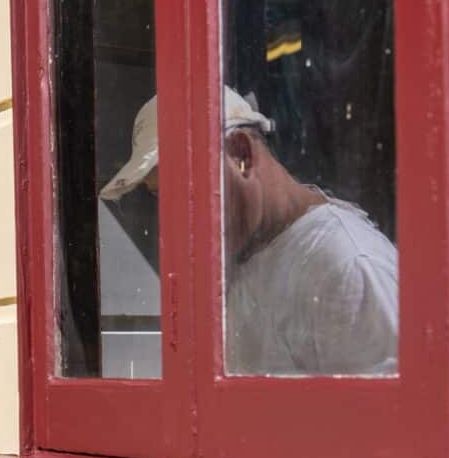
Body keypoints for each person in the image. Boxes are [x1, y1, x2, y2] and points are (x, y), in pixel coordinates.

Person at [100, 87, 398, 375]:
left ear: (241, 154)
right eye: (162, 199)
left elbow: (397, 421)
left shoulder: (348, 266)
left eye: (186, 192)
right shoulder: (240, 257)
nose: (177, 219)